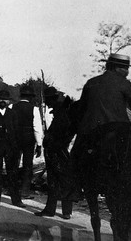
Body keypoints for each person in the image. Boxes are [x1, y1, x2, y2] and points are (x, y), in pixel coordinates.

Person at [71, 53, 131, 174]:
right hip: (118, 132)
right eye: (124, 68)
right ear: (115, 67)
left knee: (75, 162)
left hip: (90, 132)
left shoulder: (91, 82)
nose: (127, 72)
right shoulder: (124, 83)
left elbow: (81, 110)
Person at [36, 85, 78, 219]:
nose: (47, 104)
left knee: (62, 180)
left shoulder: (63, 114)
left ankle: (63, 211)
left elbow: (68, 132)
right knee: (54, 180)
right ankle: (57, 210)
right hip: (55, 150)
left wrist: (55, 141)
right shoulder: (62, 111)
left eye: (48, 100)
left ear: (52, 99)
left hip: (59, 151)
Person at [15, 82, 43, 197]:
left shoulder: (12, 107)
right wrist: (39, 144)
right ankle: (25, 191)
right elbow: (37, 128)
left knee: (14, 164)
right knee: (27, 165)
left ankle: (14, 189)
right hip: (28, 139)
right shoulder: (34, 109)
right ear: (30, 97)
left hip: (15, 139)